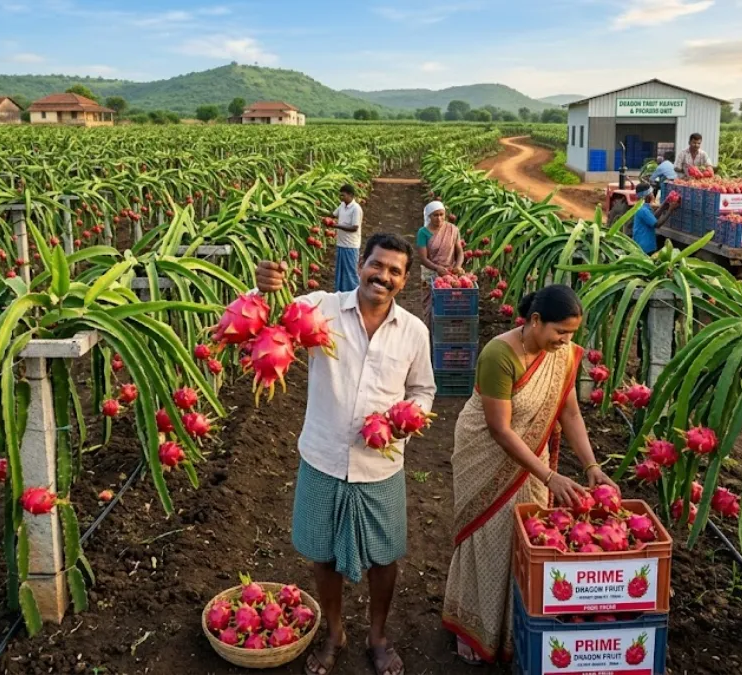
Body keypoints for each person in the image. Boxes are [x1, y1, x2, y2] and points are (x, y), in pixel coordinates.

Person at [255, 232, 436, 675]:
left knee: (385, 557)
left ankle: (378, 636)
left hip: (381, 464)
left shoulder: (414, 332)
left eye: (394, 271)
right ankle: (335, 633)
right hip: (323, 457)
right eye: (377, 265)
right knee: (323, 554)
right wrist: (263, 288)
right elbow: (272, 321)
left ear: (404, 280)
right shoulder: (322, 308)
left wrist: (406, 420)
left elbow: (423, 390)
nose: (383, 276)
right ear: (361, 265)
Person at [442, 285, 616, 665]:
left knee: (527, 538)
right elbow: (500, 430)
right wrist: (550, 476)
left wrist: (591, 466)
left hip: (532, 455)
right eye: (561, 332)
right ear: (535, 320)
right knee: (486, 536)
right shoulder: (499, 354)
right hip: (485, 451)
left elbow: (570, 413)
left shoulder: (562, 355)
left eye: (572, 334)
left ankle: (512, 627)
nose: (566, 341)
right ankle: (470, 626)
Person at [417, 200, 465, 323]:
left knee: (449, 305)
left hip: (449, 274)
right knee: (430, 306)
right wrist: (437, 268)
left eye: (441, 214)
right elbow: (423, 258)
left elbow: (460, 252)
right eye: (435, 215)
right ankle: (429, 330)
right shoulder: (423, 233)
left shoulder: (453, 230)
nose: (439, 218)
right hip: (430, 274)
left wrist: (458, 266)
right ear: (429, 216)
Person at [332, 184, 364, 292]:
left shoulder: (356, 209)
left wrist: (336, 226)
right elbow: (333, 215)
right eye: (340, 195)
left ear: (350, 195)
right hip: (341, 243)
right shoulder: (342, 205)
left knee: (351, 271)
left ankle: (355, 293)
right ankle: (341, 293)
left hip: (351, 245)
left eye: (343, 195)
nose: (341, 197)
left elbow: (354, 227)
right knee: (341, 272)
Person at [632, 182, 659, 254]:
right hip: (645, 247)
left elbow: (652, 218)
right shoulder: (643, 210)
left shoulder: (642, 207)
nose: (653, 195)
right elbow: (657, 224)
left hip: (642, 244)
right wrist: (670, 210)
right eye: (651, 193)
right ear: (646, 196)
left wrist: (664, 205)